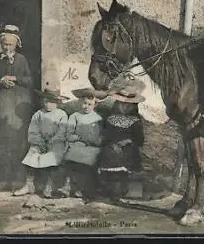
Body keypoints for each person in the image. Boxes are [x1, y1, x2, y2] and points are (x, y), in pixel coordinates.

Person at [0, 24, 35, 190]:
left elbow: (30, 81)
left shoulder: (22, 60)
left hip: (17, 106)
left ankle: (16, 177)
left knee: (17, 141)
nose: (7, 47)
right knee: (0, 140)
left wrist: (16, 78)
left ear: (16, 45)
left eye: (10, 45)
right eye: (4, 44)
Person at [96, 73, 146, 201]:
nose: (125, 107)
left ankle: (125, 189)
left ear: (134, 106)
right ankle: (111, 188)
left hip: (129, 147)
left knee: (127, 156)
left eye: (128, 105)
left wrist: (128, 141)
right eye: (122, 104)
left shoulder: (135, 121)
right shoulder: (111, 118)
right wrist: (112, 143)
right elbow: (107, 134)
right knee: (109, 154)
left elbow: (140, 140)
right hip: (112, 146)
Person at [13, 88, 69, 198]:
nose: (48, 104)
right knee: (31, 155)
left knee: (53, 158)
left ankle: (49, 186)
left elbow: (62, 132)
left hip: (56, 143)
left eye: (52, 102)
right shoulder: (38, 114)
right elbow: (33, 131)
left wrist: (52, 141)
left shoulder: (62, 114)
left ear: (57, 102)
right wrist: (39, 141)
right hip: (41, 143)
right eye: (46, 101)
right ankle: (29, 185)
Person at [56, 88, 107, 202]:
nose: (86, 106)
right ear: (79, 102)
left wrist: (99, 140)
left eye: (90, 104)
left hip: (93, 146)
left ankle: (82, 189)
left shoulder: (98, 118)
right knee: (73, 155)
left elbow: (102, 134)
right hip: (78, 143)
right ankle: (68, 185)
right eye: (84, 103)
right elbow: (69, 134)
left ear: (95, 105)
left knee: (90, 160)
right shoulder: (75, 116)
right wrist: (78, 138)